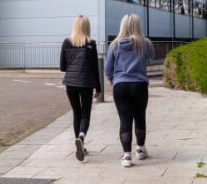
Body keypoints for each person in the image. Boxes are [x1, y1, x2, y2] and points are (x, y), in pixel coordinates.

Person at [104, 13, 155, 167]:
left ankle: (126, 156)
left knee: (124, 120)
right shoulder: (144, 43)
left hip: (120, 85)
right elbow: (151, 57)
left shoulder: (114, 45)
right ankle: (140, 149)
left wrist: (113, 81)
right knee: (140, 117)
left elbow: (108, 69)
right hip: (139, 85)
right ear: (138, 26)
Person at [59, 15, 101, 161]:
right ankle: (81, 137)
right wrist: (99, 88)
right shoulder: (91, 43)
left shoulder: (66, 42)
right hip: (86, 83)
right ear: (87, 27)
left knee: (76, 113)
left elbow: (62, 67)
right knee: (85, 114)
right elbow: (96, 68)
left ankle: (80, 144)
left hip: (70, 83)